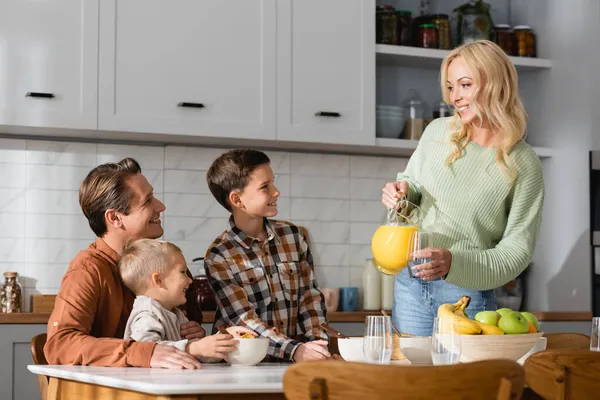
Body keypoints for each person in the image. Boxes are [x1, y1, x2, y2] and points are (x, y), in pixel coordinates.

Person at [381, 40, 545, 336]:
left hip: (467, 295)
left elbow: (516, 251)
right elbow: (414, 187)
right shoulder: (436, 132)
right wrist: (402, 192)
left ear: (495, 84)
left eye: (465, 85)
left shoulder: (523, 162)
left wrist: (453, 262)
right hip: (410, 285)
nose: (455, 97)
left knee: (464, 382)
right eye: (451, 87)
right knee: (409, 380)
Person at [45, 158, 205, 369]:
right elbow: (60, 344)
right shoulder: (88, 270)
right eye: (147, 201)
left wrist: (193, 335)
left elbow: (190, 330)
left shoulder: (168, 262)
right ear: (114, 218)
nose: (161, 206)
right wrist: (143, 352)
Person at [204, 149, 330, 362]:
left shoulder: (293, 236)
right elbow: (244, 320)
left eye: (273, 183)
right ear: (237, 199)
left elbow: (310, 298)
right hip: (246, 363)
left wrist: (318, 344)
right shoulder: (219, 256)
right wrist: (295, 350)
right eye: (265, 187)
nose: (276, 192)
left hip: (295, 360)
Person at [120, 239, 257, 361]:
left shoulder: (175, 313)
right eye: (183, 272)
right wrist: (194, 348)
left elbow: (200, 353)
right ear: (158, 280)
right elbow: (147, 350)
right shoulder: (147, 313)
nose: (190, 280)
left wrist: (222, 339)